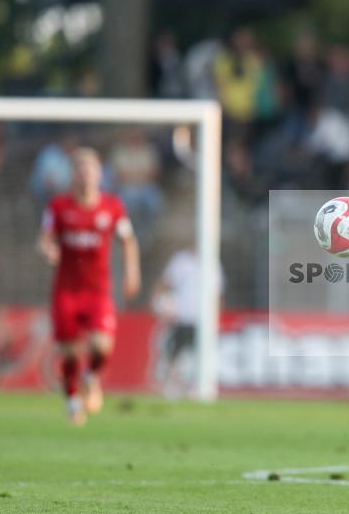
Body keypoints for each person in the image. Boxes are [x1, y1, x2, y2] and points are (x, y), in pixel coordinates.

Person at [38, 148, 141, 425]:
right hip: (67, 291)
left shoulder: (113, 207)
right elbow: (45, 238)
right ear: (74, 175)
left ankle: (91, 377)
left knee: (102, 345)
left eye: (91, 170)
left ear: (99, 174)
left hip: (98, 292)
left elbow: (128, 241)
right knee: (70, 352)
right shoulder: (59, 207)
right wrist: (49, 250)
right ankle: (73, 400)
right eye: (81, 170)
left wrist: (132, 273)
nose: (86, 175)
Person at [152, 246, 224, 399]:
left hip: (202, 321)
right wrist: (161, 304)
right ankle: (170, 388)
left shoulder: (212, 262)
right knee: (174, 354)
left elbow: (217, 293)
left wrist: (215, 319)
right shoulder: (180, 260)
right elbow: (164, 285)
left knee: (200, 358)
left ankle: (197, 388)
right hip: (181, 319)